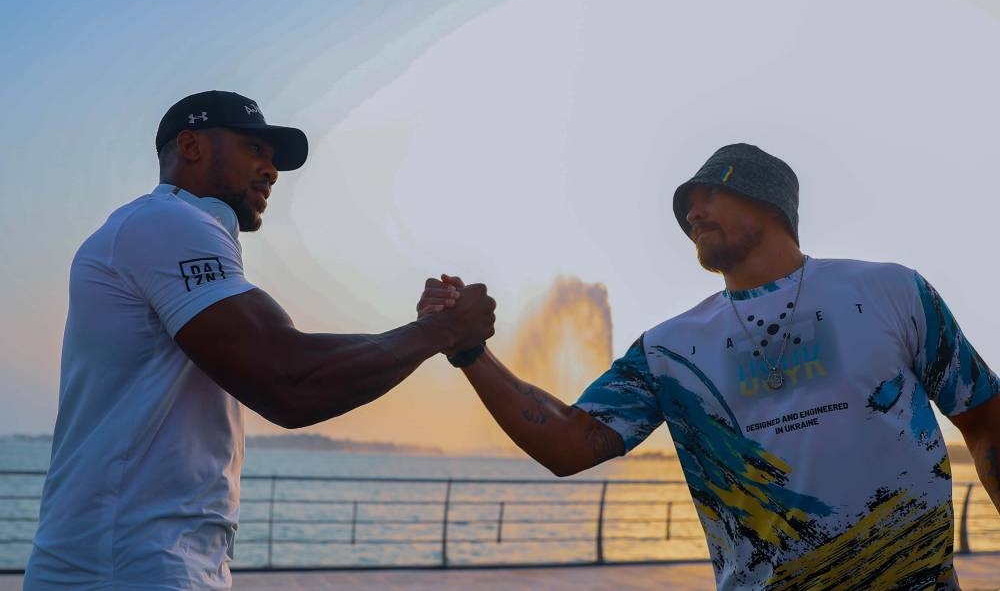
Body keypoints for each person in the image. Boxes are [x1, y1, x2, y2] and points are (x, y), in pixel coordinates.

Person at [419, 143, 1000, 590]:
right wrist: (468, 351)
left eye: (708, 196)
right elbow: (569, 445)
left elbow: (985, 422)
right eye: (685, 210)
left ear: (768, 200)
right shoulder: (670, 346)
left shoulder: (890, 291)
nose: (692, 214)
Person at [24, 90, 496, 590]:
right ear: (191, 146)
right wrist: (440, 331)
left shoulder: (172, 231)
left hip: (151, 561)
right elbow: (289, 382)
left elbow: (288, 364)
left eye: (273, 160)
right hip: (125, 568)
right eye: (254, 149)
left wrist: (426, 332)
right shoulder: (166, 223)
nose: (271, 171)